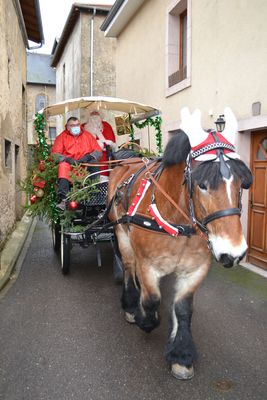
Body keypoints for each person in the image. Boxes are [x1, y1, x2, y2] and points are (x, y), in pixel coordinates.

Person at [52, 116, 102, 209]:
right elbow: (55, 154)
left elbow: (98, 151)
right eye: (73, 125)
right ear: (68, 127)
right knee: (63, 166)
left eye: (77, 124)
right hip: (69, 167)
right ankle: (63, 198)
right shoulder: (61, 137)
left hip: (85, 165)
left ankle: (95, 193)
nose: (76, 127)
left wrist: (88, 157)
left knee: (95, 163)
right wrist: (68, 159)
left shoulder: (88, 136)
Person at [83, 110, 116, 179]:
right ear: (88, 116)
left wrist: (109, 143)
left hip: (105, 161)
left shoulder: (106, 126)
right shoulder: (83, 127)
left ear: (100, 115)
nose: (94, 116)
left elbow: (113, 145)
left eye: (96, 113)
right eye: (92, 114)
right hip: (87, 161)